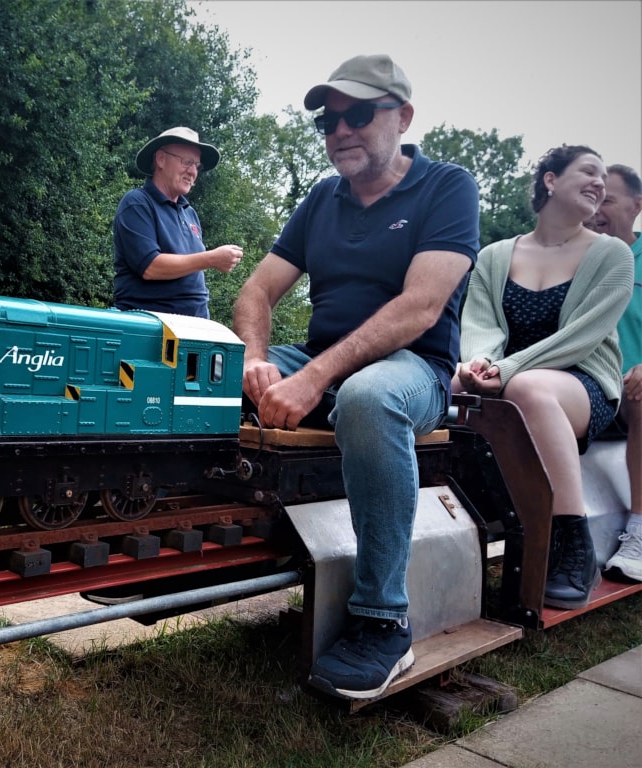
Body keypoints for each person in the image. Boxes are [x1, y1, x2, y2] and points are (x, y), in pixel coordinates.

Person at [232, 54, 480, 700]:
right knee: (211, 370)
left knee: (367, 398)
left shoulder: (447, 188)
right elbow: (256, 293)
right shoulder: (322, 199)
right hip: (316, 360)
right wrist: (256, 359)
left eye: (358, 114)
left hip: (412, 372)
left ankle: (381, 621)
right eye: (328, 119)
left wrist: (314, 378)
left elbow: (422, 307)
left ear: (403, 116)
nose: (339, 130)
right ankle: (189, 557)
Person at [455, 146, 634, 609]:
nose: (599, 183)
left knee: (530, 388)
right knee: (450, 384)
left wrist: (508, 369)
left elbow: (583, 336)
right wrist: (477, 364)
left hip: (580, 383)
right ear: (551, 180)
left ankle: (573, 546)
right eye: (588, 172)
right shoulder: (495, 255)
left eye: (604, 178)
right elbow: (480, 324)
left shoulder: (612, 255)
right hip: (504, 380)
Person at [113, 126, 243, 318]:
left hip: (194, 327)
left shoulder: (190, 214)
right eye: (187, 162)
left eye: (196, 166)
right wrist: (212, 258)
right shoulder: (137, 203)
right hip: (149, 326)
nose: (192, 172)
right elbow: (150, 267)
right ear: (161, 159)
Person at [587, 164, 642, 581]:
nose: (596, 207)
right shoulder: (573, 258)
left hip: (630, 393)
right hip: (583, 390)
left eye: (608, 198)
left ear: (637, 206)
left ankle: (640, 533)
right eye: (592, 197)